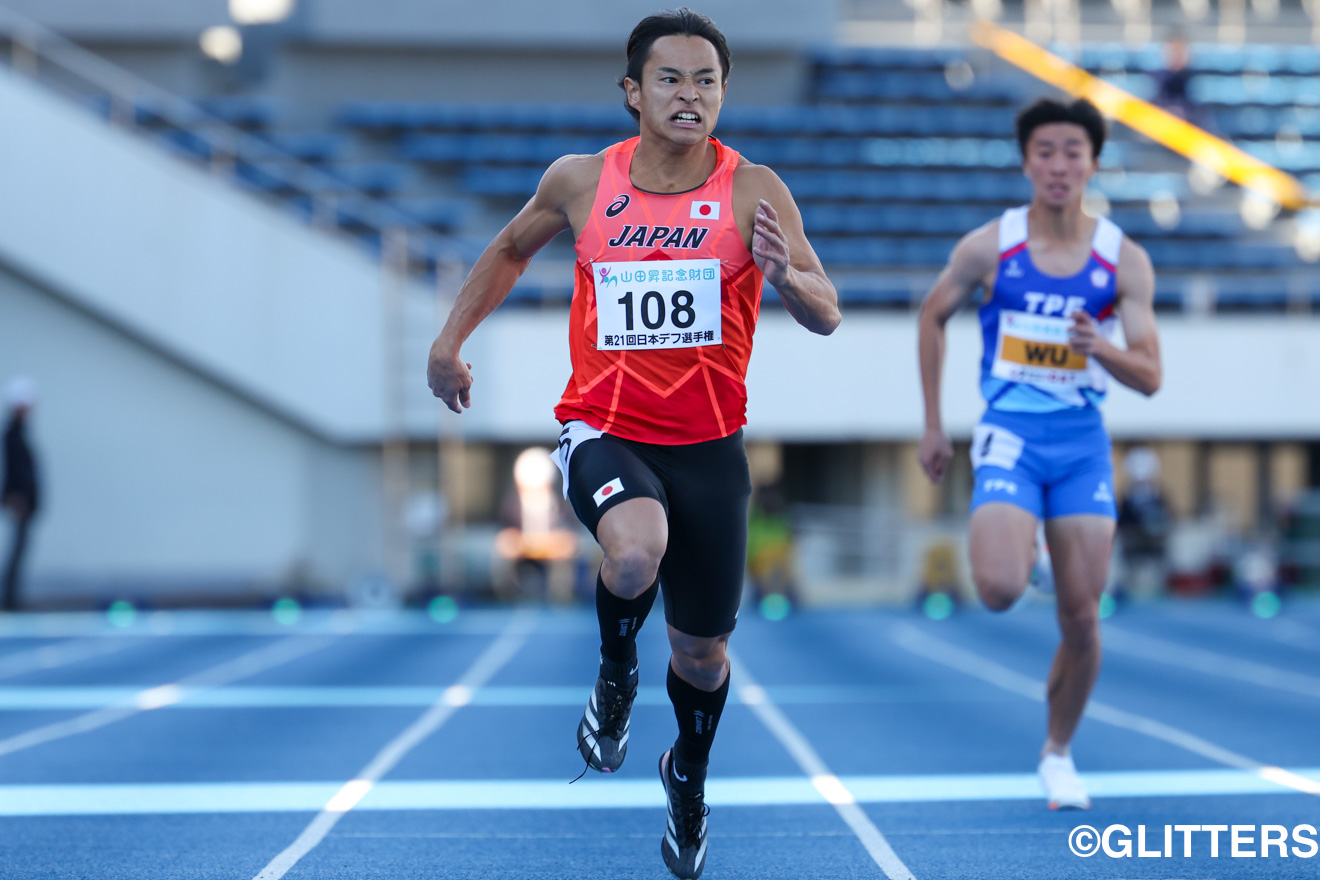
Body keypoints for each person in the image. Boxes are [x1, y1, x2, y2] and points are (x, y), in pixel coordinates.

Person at [425, 9, 839, 878]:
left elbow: (825, 311)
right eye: (671, 79)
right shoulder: (582, 181)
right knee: (632, 552)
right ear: (633, 92)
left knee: (702, 652)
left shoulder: (754, 188)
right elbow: (506, 250)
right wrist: (447, 344)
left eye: (707, 82)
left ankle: (685, 777)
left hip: (711, 448)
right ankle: (615, 678)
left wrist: (784, 274)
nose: (690, 96)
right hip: (605, 427)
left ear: (725, 94)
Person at [917, 98, 1161, 810]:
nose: (1059, 165)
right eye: (1046, 151)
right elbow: (932, 315)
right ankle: (1035, 554)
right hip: (1011, 435)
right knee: (996, 588)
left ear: (1092, 162)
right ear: (1027, 161)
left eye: (1073, 152)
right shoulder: (992, 246)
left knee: (1083, 620)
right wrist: (934, 424)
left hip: (1082, 445)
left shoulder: (1123, 259)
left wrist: (1101, 348)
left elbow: (1150, 375)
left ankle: (1058, 753)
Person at [3, 377, 40, 612]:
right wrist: (14, 496)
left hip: (25, 502)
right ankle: (9, 598)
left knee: (20, 549)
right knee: (17, 550)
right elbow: (13, 469)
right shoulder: (12, 435)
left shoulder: (19, 433)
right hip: (21, 502)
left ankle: (11, 596)